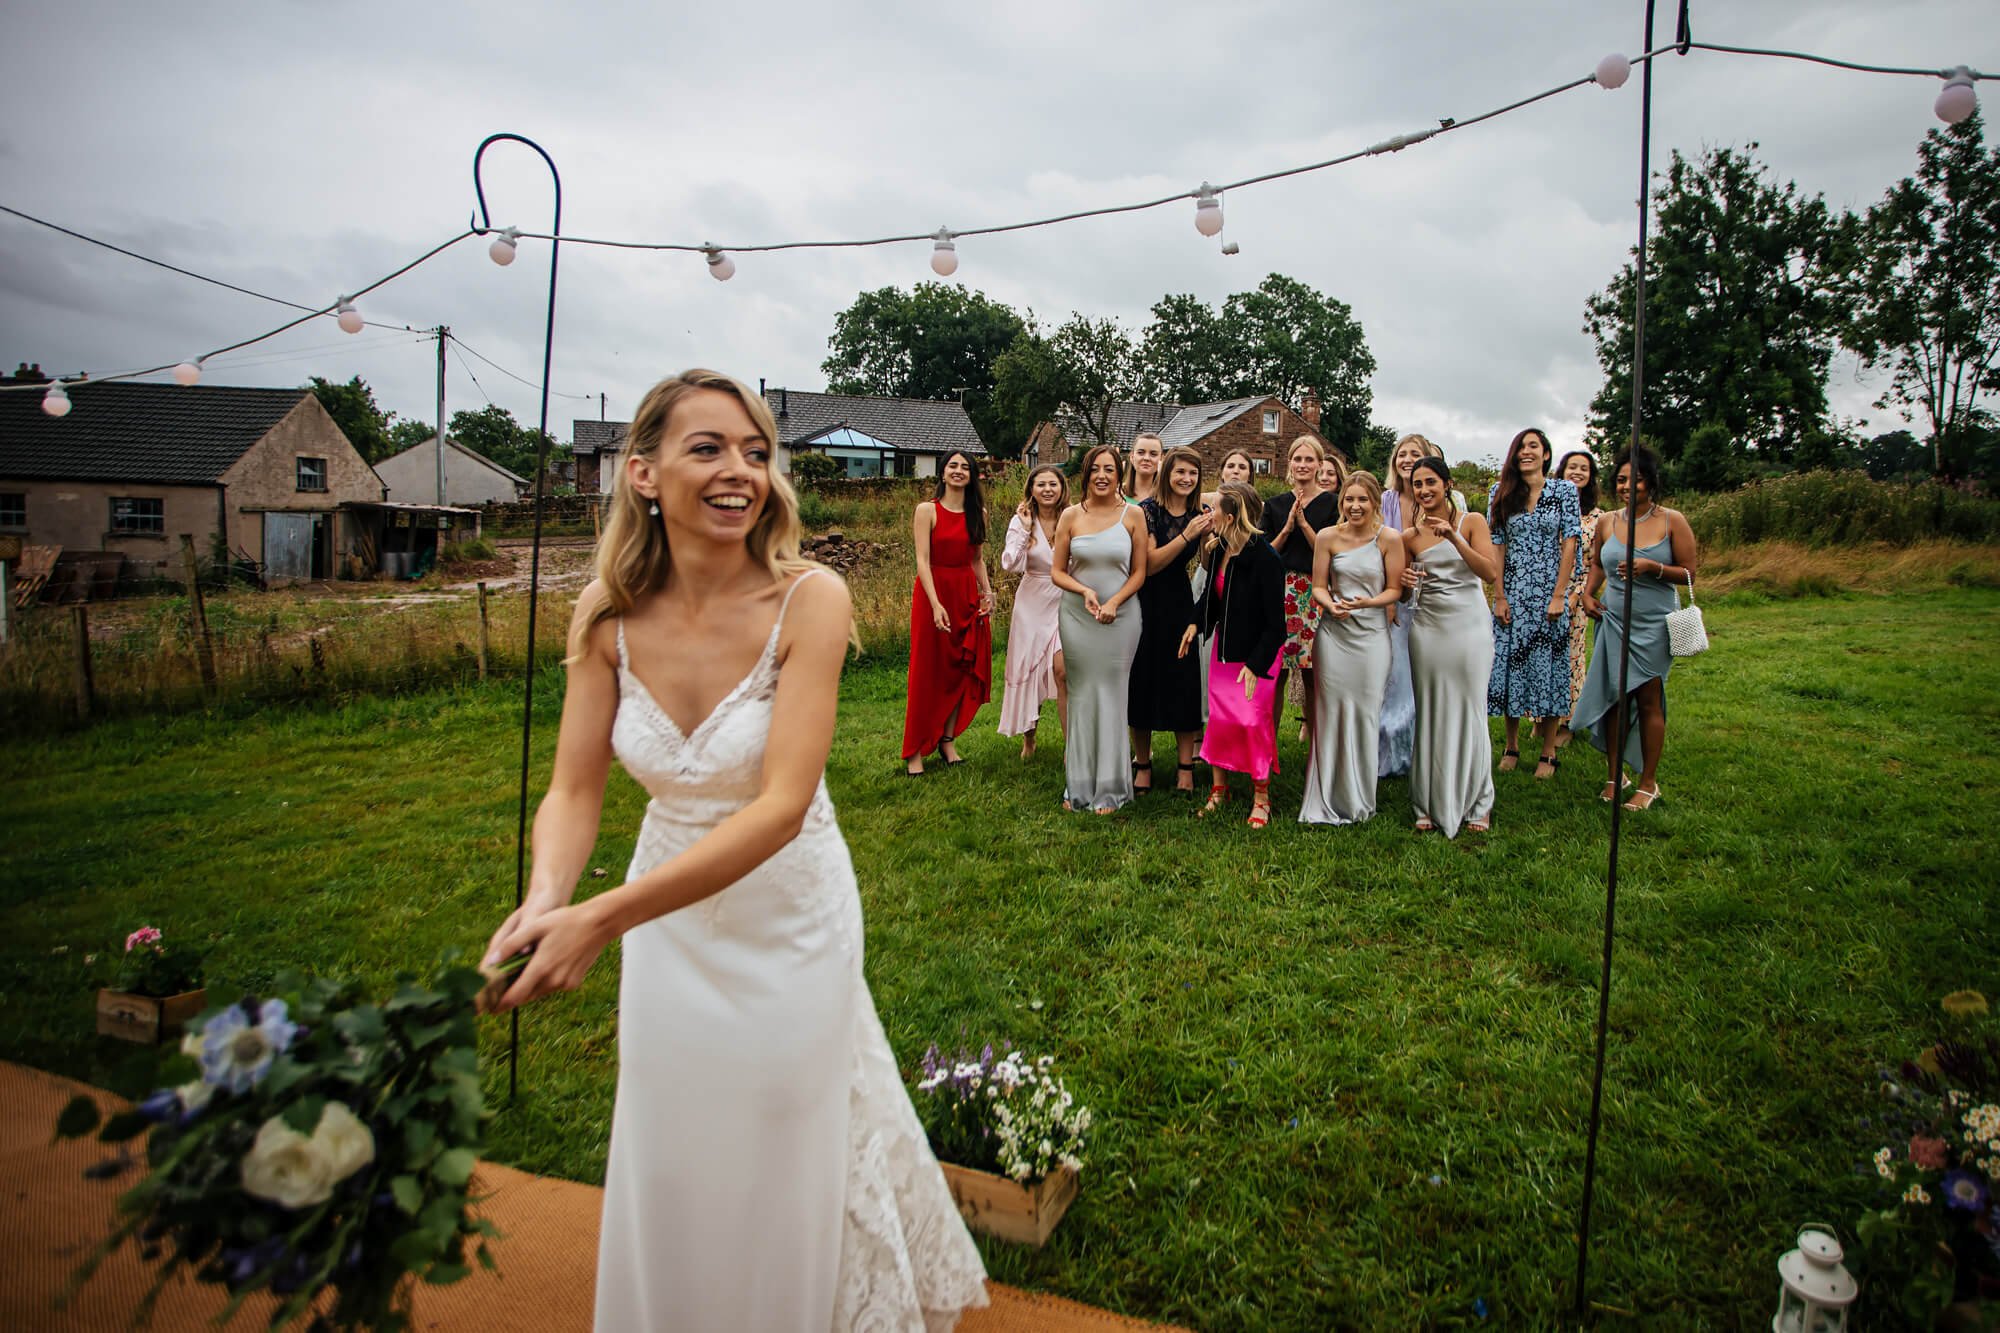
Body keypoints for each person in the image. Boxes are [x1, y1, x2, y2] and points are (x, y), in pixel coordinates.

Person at [478, 369, 988, 1332]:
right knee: (674, 1144)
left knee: (784, 1143)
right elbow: (573, 788)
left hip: (791, 913)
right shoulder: (606, 615)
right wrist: (550, 896)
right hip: (666, 928)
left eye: (756, 452)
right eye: (707, 447)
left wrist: (603, 916)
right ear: (641, 471)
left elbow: (784, 804)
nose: (739, 471)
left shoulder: (813, 599)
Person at [1572, 444, 1698, 811]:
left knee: (1647, 700)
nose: (1628, 487)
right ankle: (1614, 775)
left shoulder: (1671, 520)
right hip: (1613, 619)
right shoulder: (1608, 521)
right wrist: (1587, 595)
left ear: (1651, 482)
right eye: (1622, 480)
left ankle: (1648, 782)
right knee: (1613, 699)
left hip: (1653, 622)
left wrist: (1652, 568)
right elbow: (1598, 564)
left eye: (1636, 480)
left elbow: (1690, 572)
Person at [1300, 471, 1406, 826]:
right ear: (1341, 502)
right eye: (1349, 499)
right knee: (1331, 712)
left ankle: (1360, 796)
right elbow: (1318, 586)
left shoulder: (1389, 538)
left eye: (1363, 499)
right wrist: (1329, 605)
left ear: (1376, 502)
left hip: (1372, 637)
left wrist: (1370, 603)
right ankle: (1328, 794)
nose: (1355, 506)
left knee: (1365, 713)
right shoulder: (1328, 537)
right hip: (1334, 636)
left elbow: (1396, 590)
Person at [1401, 457, 1500, 836]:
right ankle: (1426, 801)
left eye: (1430, 482)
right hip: (1428, 629)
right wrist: (1407, 580)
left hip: (1469, 627)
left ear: (1447, 484)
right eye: (1418, 484)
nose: (1424, 490)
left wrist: (1454, 537)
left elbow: (1489, 573)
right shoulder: (1409, 536)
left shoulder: (1472, 522)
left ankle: (1478, 802)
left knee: (1470, 709)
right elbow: (1405, 592)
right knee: (1431, 712)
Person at [1181, 481, 1285, 828]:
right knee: (1222, 721)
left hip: (1257, 655)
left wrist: (1256, 665)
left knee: (1252, 722)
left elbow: (1276, 626)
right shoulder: (1221, 549)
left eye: (1212, 510)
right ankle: (1219, 790)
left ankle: (1261, 796)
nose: (1207, 515)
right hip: (1224, 655)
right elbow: (1211, 599)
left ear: (1230, 515)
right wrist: (1196, 624)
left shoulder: (1267, 558)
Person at [1051, 444, 1147, 813]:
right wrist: (1086, 591)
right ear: (1086, 474)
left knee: (1111, 695)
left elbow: (1139, 572)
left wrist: (1113, 602)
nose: (1102, 475)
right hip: (1077, 616)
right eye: (1095, 469)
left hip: (1122, 617)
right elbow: (1057, 571)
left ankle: (1111, 788)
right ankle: (1077, 786)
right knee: (1082, 696)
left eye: (1109, 469)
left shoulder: (1134, 515)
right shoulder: (1071, 516)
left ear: (1120, 473)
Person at [1485, 427, 1581, 781]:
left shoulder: (1563, 491)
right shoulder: (1501, 492)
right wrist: (1499, 595)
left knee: (1550, 668)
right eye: (1520, 447)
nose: (1526, 452)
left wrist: (1560, 594)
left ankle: (1548, 749)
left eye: (1533, 446)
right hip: (1512, 591)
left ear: (1545, 454)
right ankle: (1511, 745)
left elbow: (1570, 543)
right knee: (1510, 666)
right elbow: (1496, 545)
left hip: (1548, 593)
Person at [903, 450, 994, 775]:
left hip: (966, 594)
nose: (958, 471)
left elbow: (976, 559)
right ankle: (914, 750)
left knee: (962, 669)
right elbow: (922, 561)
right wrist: (936, 603)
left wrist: (987, 591)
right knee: (927, 671)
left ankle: (947, 740)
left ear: (972, 475)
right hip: (934, 594)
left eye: (964, 467)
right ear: (942, 473)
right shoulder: (927, 510)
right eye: (952, 466)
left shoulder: (978, 513)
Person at [1128, 447, 1211, 795]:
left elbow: (1206, 562)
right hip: (1145, 600)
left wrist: (1209, 539)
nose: (1186, 479)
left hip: (1179, 601)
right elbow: (1149, 565)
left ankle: (1185, 767)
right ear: (1167, 473)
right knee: (1142, 679)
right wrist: (1188, 535)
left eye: (1192, 473)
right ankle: (1143, 764)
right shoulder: (1146, 511)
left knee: (1183, 680)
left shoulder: (1199, 512)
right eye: (1180, 472)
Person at [1261, 436, 1338, 741]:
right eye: (1298, 459)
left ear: (1319, 465)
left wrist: (1305, 526)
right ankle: (1268, 745)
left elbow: (1330, 551)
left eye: (1309, 460)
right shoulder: (1276, 504)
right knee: (1275, 671)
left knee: (1312, 672)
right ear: (1289, 463)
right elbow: (1265, 552)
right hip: (1278, 589)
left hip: (1313, 590)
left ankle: (1318, 747)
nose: (1303, 465)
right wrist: (1288, 528)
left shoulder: (1332, 503)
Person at [1376, 433, 1436, 779]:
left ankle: (1427, 749)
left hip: (1435, 594)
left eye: (1415, 454)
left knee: (1426, 673)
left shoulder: (1437, 499)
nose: (1407, 459)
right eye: (1402, 454)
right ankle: (1393, 750)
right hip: (1395, 595)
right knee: (1397, 675)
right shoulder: (1386, 500)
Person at [999, 465, 1069, 759]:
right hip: (1031, 603)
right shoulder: (1021, 520)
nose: (1047, 489)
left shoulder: (1072, 517)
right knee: (1031, 670)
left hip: (1065, 601)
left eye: (1053, 484)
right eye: (1041, 484)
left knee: (1062, 669)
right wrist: (1026, 528)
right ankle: (1030, 737)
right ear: (1032, 490)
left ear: (1062, 488)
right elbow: (1010, 564)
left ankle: (1071, 744)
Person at [1195, 449, 1255, 722]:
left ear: (1250, 474)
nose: (1236, 470)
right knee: (1202, 653)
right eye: (1230, 465)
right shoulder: (1207, 501)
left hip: (1243, 582)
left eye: (1242, 467)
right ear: (1221, 471)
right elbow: (1205, 560)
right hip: (1208, 576)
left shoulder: (1256, 507)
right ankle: (1200, 725)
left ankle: (1232, 718)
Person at [1553, 449, 1605, 746]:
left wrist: (1579, 594)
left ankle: (1568, 723)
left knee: (1571, 658)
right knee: (1544, 655)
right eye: (1572, 467)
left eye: (1583, 469)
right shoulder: (1550, 507)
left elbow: (1597, 562)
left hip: (1578, 593)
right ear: (1561, 472)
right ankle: (1541, 718)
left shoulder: (1597, 517)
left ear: (1590, 477)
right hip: (1547, 591)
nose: (1577, 472)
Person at [1123, 431, 1164, 506]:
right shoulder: (1117, 494)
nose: (1146, 458)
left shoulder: (1166, 497)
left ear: (1161, 459)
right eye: (1141, 452)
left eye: (1153, 454)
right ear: (1132, 457)